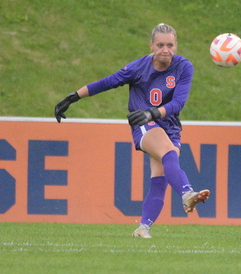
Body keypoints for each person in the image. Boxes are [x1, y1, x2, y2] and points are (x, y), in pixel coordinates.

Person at [54, 23, 210, 238]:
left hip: (169, 127)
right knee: (169, 153)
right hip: (143, 124)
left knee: (160, 177)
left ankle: (143, 228)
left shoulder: (184, 67)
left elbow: (179, 103)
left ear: (176, 46)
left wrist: (153, 113)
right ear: (151, 45)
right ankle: (186, 193)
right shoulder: (139, 68)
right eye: (160, 45)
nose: (165, 50)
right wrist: (73, 97)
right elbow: (107, 82)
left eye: (170, 45)